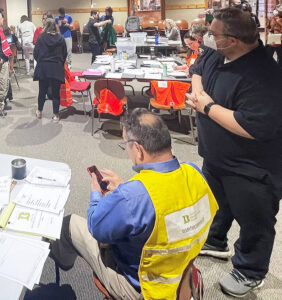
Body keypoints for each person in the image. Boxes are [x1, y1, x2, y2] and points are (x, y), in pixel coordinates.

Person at [50, 108, 217, 299]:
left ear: (138, 149)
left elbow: (97, 228)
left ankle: (59, 268)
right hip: (182, 272)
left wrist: (96, 194)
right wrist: (128, 188)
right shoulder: (194, 173)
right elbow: (168, 201)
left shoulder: (132, 196)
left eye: (125, 145)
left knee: (70, 224)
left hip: (144, 289)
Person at [186, 8, 282, 297]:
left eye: (214, 34)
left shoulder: (264, 75)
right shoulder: (219, 53)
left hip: (251, 167)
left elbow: (251, 126)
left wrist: (206, 107)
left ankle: (250, 271)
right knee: (216, 205)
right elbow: (197, 70)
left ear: (234, 40)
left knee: (254, 220)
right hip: (216, 158)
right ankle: (216, 242)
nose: (207, 39)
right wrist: (199, 91)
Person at [33, 18, 67, 122]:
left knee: (42, 91)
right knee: (56, 92)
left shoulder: (41, 38)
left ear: (45, 26)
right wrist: (59, 63)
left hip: (43, 67)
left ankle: (39, 111)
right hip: (56, 67)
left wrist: (41, 61)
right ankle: (56, 115)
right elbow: (64, 54)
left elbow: (35, 54)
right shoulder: (61, 38)